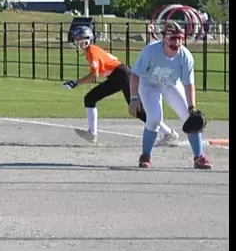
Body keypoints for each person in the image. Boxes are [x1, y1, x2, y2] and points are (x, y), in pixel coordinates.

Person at [63, 25, 179, 146]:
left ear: (86, 39)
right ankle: (92, 133)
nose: (76, 41)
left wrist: (76, 82)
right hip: (116, 76)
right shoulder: (90, 51)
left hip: (122, 75)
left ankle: (169, 133)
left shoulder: (92, 50)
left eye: (78, 38)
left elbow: (94, 75)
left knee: (137, 111)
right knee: (90, 98)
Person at [128, 21, 212, 169]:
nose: (177, 42)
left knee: (190, 117)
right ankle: (145, 155)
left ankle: (199, 157)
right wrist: (134, 98)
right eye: (173, 38)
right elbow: (135, 75)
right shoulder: (151, 51)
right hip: (149, 84)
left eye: (180, 38)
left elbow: (188, 84)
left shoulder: (185, 56)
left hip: (170, 84)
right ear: (164, 39)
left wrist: (192, 106)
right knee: (154, 118)